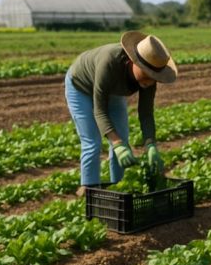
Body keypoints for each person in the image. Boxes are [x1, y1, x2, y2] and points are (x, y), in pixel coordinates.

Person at [65, 31, 176, 191]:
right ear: (134, 62)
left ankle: (119, 187)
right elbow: (100, 109)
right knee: (93, 142)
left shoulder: (149, 79)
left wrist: (150, 144)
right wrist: (116, 143)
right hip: (80, 87)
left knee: (123, 140)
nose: (149, 80)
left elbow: (146, 113)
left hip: (113, 90)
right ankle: (88, 188)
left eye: (154, 76)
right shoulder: (110, 62)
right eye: (146, 73)